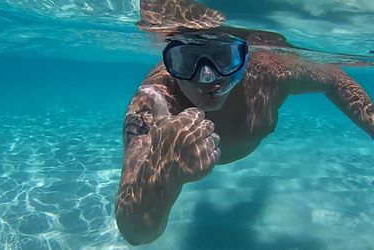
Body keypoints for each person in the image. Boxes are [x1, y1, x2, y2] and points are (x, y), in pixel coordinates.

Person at [115, 0, 374, 245]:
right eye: (185, 60)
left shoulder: (271, 70)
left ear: (245, 57)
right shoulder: (154, 104)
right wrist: (162, 172)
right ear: (168, 59)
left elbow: (336, 80)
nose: (206, 77)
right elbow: (135, 231)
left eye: (223, 57)